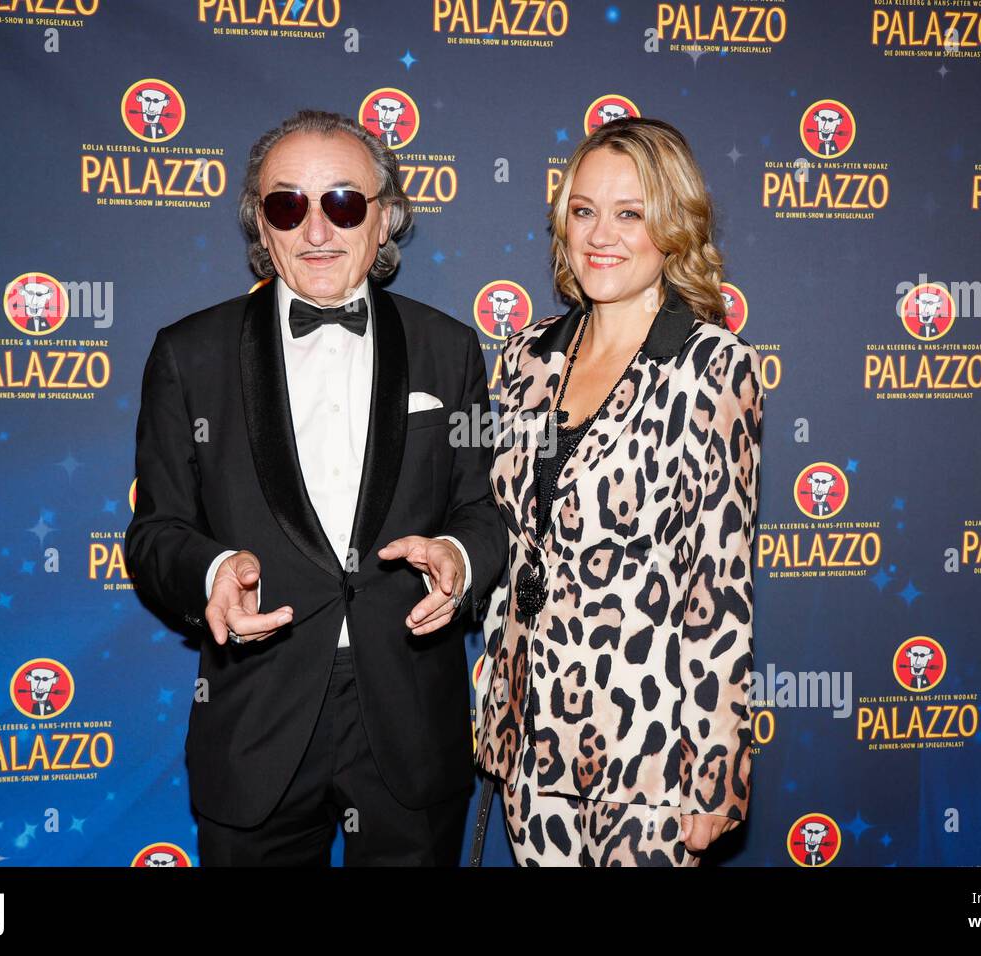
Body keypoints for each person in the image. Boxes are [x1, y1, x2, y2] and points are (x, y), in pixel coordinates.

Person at [125, 109, 505, 866]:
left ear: (385, 219)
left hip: (408, 720)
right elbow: (155, 530)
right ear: (261, 228)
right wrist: (210, 572)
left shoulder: (449, 348)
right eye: (287, 205)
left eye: (342, 202)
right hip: (257, 721)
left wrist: (459, 559)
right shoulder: (187, 355)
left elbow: (482, 509)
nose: (317, 230)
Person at [474, 117, 765, 866]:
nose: (601, 234)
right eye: (584, 210)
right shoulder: (525, 357)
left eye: (629, 213)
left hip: (653, 748)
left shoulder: (710, 366)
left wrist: (717, 766)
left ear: (672, 227)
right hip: (532, 738)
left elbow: (719, 584)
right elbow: (508, 542)